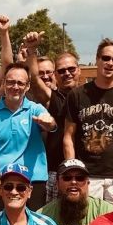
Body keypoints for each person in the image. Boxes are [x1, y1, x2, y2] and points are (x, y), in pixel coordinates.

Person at [63, 38, 113, 201]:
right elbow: (68, 135)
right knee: (87, 221)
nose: (110, 63)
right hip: (87, 174)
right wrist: (73, 169)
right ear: (97, 59)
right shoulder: (77, 95)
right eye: (106, 58)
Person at [0, 62, 55, 213]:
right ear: (3, 83)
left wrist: (49, 123)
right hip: (0, 182)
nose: (15, 86)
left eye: (20, 83)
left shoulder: (35, 109)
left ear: (27, 86)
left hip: (32, 181)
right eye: (11, 82)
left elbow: (50, 123)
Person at [24, 32, 82, 201]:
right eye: (61, 71)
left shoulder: (90, 97)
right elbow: (34, 78)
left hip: (87, 172)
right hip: (56, 172)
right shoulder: (53, 98)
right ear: (55, 75)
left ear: (79, 70)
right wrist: (32, 49)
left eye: (71, 69)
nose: (67, 73)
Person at [38, 158, 113, 225]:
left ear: (88, 184)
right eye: (67, 178)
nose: (73, 182)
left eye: (80, 178)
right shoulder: (43, 216)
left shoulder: (105, 211)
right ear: (57, 183)